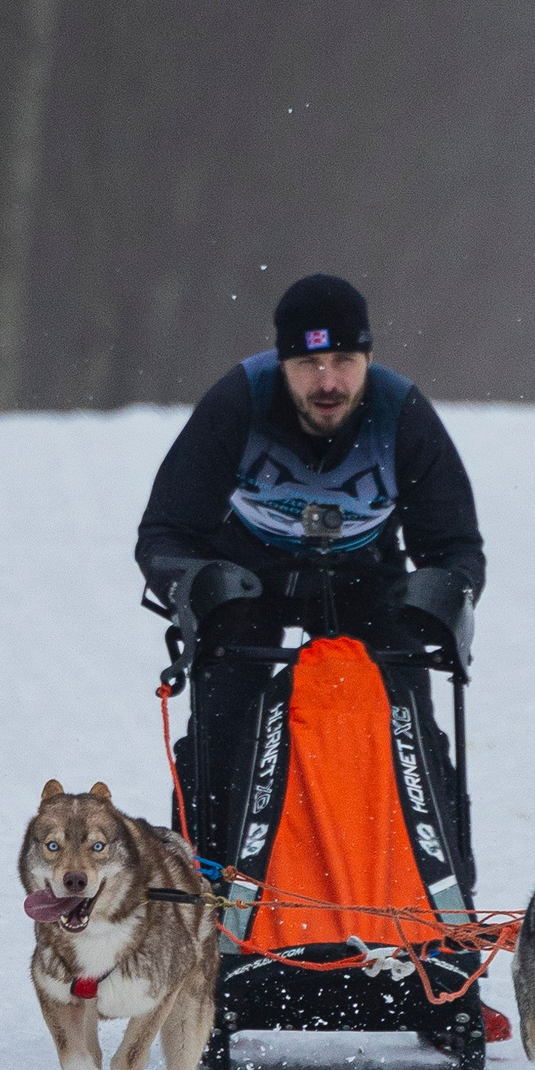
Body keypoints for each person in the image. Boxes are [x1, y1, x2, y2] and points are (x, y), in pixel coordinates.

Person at [136, 273, 485, 865]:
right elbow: (166, 532)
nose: (328, 381)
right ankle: (208, 891)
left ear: (369, 359)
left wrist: (443, 602)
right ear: (282, 364)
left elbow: (454, 546)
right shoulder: (238, 402)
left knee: (410, 732)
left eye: (344, 360)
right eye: (309, 363)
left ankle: (440, 899)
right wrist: (193, 588)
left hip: (365, 571)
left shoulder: (403, 415)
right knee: (223, 729)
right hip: (248, 570)